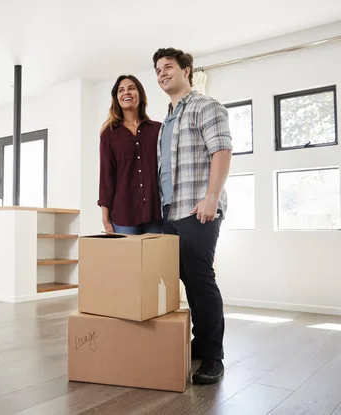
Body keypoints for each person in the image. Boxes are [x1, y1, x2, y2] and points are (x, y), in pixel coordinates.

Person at [153, 47, 233, 384]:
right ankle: (200, 344)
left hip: (198, 208)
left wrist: (211, 198)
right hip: (171, 212)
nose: (162, 74)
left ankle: (213, 355)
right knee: (187, 280)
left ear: (187, 70)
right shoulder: (167, 120)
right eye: (157, 70)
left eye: (168, 67)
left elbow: (222, 149)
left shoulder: (205, 106)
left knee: (201, 279)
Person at [97, 75, 163, 235]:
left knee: (154, 260)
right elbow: (106, 177)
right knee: (128, 260)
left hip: (155, 213)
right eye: (121, 90)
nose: (126, 92)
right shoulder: (109, 134)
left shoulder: (158, 129)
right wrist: (105, 220)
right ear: (116, 98)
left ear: (140, 94)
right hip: (123, 215)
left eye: (131, 88)